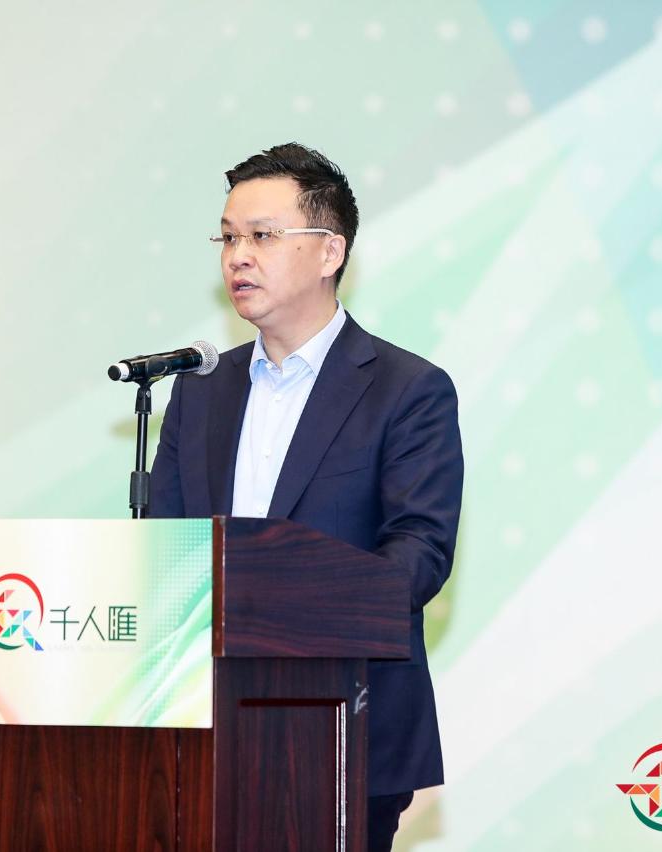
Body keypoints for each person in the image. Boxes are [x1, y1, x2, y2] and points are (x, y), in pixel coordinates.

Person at [149, 142, 464, 851]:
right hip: (201, 730)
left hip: (344, 730)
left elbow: (419, 552)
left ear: (330, 252)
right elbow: (165, 550)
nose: (238, 256)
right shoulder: (197, 392)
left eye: (262, 236)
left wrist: (284, 605)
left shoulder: (407, 391)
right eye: (228, 238)